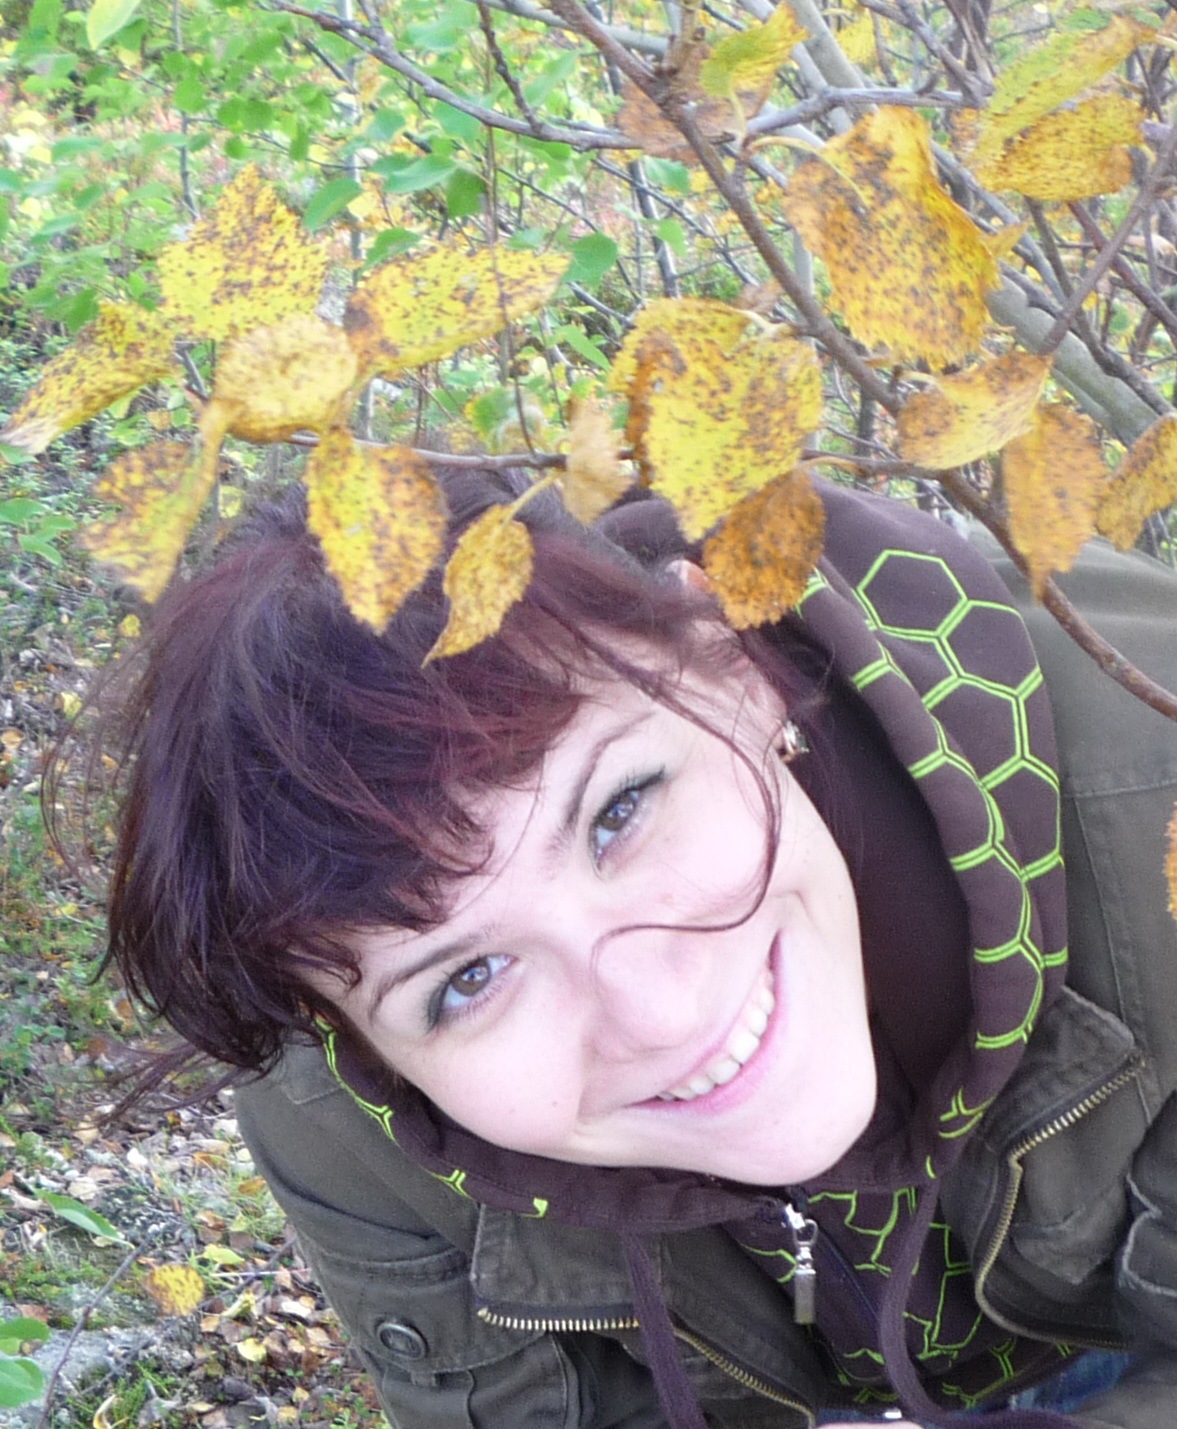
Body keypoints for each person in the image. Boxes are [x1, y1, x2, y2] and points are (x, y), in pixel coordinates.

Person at [91, 466, 1177, 1429]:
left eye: (619, 810)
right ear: (354, 1038)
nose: (658, 1012)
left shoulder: (1153, 782)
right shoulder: (342, 1121)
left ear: (729, 662)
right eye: (467, 978)